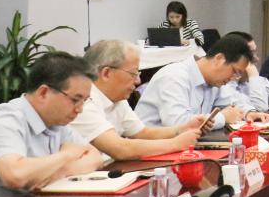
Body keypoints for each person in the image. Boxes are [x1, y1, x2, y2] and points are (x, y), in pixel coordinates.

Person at [0, 52, 104, 197]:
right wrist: (65, 156)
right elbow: (15, 175)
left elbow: (95, 157)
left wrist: (59, 172)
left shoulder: (56, 122)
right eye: (75, 99)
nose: (80, 109)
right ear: (43, 93)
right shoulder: (4, 119)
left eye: (84, 101)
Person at [72, 40, 205, 160]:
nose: (138, 81)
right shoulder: (83, 103)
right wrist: (175, 144)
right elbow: (120, 149)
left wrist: (182, 129)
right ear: (106, 73)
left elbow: (142, 133)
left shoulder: (117, 98)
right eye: (133, 73)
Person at [135, 34, 269, 128]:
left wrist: (249, 113)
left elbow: (233, 102)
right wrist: (222, 118)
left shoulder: (213, 82)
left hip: (179, 148)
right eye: (234, 71)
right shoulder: (175, 77)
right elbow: (177, 124)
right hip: (148, 153)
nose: (233, 78)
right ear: (219, 59)